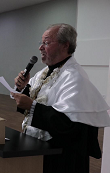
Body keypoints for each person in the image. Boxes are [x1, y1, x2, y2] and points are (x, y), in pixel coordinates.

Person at [10, 23, 110, 173]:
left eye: (46, 43)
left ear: (65, 45)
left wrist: (31, 106)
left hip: (61, 155)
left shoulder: (75, 77)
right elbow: (36, 99)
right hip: (39, 146)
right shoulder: (43, 73)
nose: (40, 48)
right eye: (41, 43)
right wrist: (23, 88)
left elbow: (69, 125)